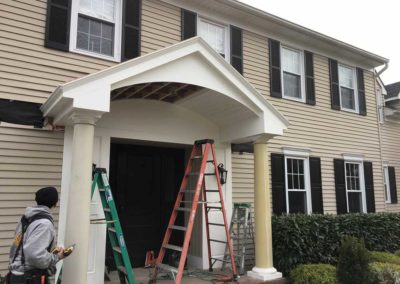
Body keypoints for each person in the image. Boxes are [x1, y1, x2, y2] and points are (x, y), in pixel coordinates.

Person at [7, 187, 66, 284]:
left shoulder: (26, 218)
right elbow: (35, 256)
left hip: (16, 275)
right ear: (55, 202)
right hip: (29, 278)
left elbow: (17, 245)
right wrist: (57, 256)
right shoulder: (44, 224)